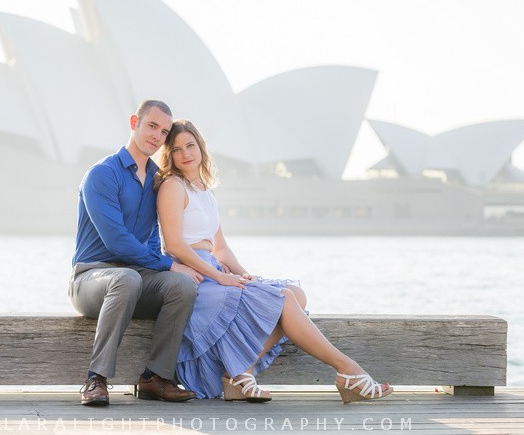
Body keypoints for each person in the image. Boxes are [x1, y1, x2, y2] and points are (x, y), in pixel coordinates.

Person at [155, 119, 393, 404]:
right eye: (177, 149)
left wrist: (245, 275)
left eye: (190, 145)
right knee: (283, 300)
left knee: (296, 294)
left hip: (214, 271)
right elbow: (174, 245)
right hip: (195, 277)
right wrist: (220, 277)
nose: (185, 154)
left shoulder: (205, 190)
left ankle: (241, 373)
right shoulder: (173, 186)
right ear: (169, 155)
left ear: (201, 148)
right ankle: (349, 370)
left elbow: (221, 248)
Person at [69, 100, 201, 407]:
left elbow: (152, 238)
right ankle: (96, 378)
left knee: (182, 286)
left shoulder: (157, 180)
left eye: (164, 132)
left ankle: (156, 377)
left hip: (135, 277)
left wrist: (173, 268)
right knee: (127, 278)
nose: (157, 136)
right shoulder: (102, 174)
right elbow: (116, 240)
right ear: (134, 123)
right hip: (90, 278)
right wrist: (168, 264)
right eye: (152, 126)